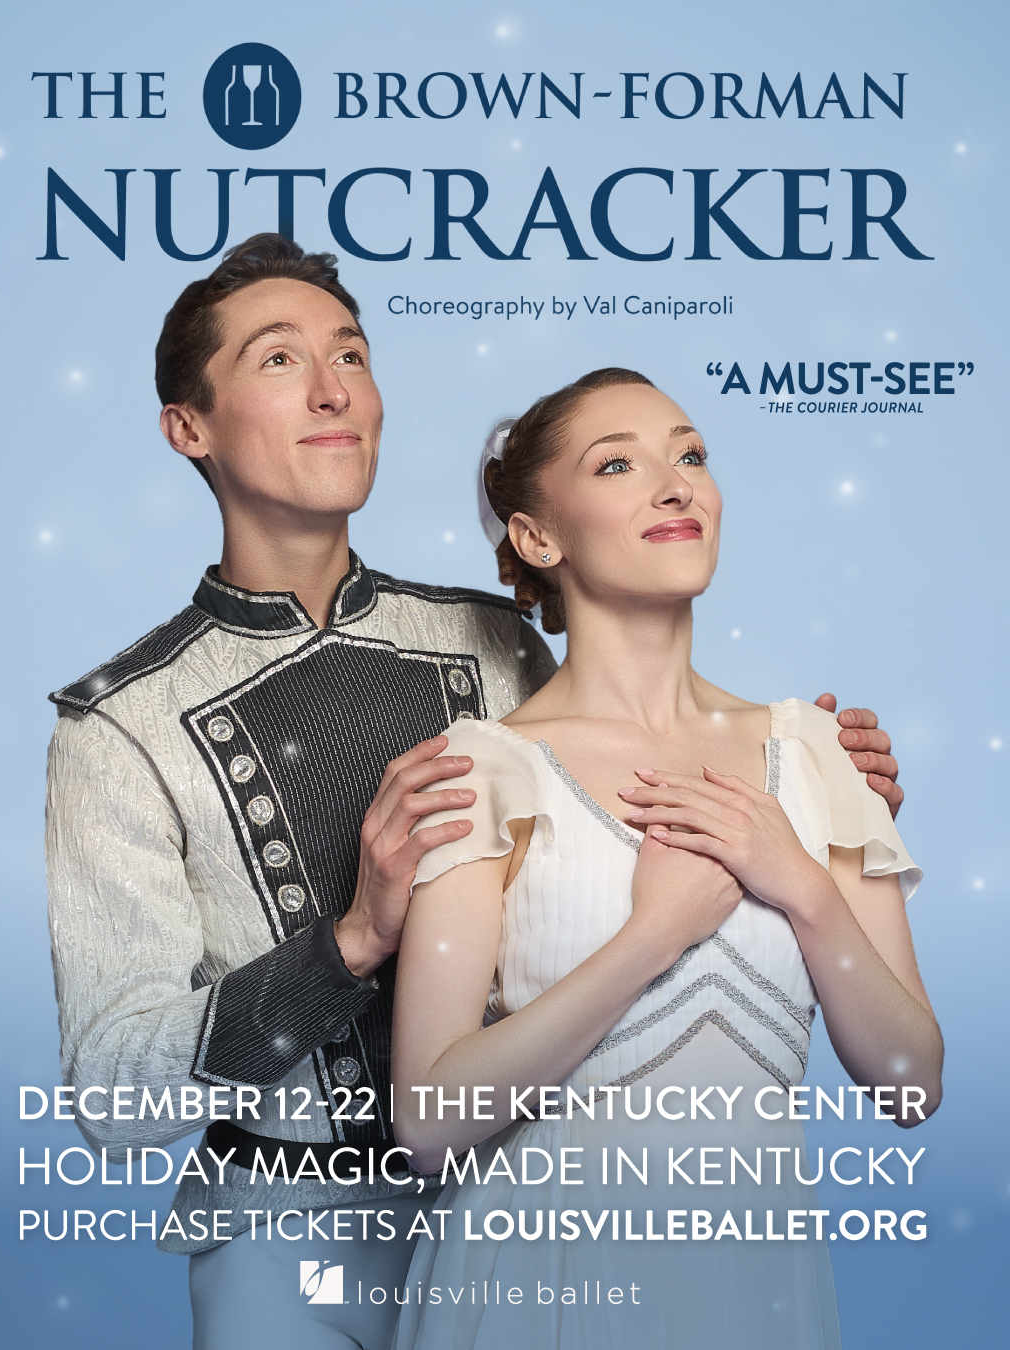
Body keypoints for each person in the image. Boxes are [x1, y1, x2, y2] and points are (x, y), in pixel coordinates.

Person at [43, 235, 904, 1350]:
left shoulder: (498, 645)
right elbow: (115, 1099)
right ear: (187, 428)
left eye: (351, 352)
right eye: (277, 359)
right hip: (290, 1238)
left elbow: (642, 846)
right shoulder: (122, 726)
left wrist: (830, 803)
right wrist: (348, 942)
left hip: (522, 1206)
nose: (331, 387)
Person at [390, 368, 941, 1350]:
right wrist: (654, 935)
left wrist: (804, 889)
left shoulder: (821, 754)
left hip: (753, 1298)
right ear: (538, 538)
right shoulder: (482, 768)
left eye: (690, 455)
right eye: (618, 464)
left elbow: (910, 1083)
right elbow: (429, 1125)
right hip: (537, 1289)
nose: (676, 484)